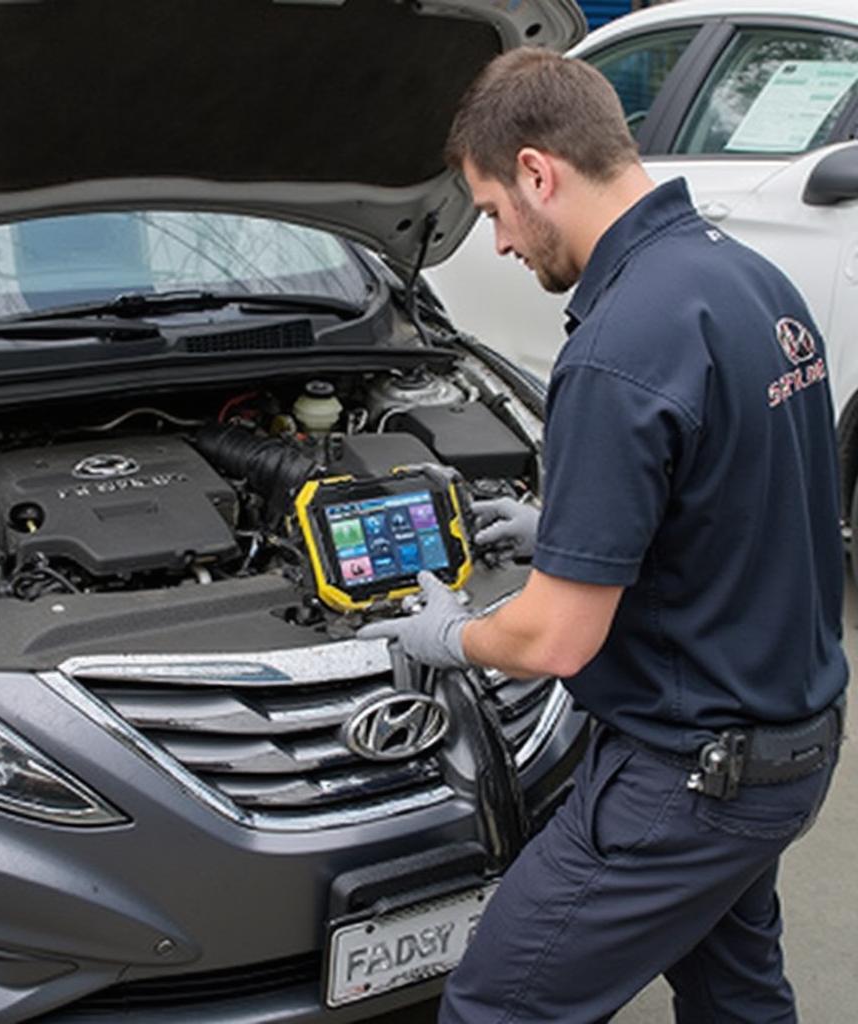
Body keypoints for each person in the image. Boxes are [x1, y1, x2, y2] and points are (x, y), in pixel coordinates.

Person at [357, 48, 848, 1023]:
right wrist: (570, 531)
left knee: (498, 1006)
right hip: (790, 747)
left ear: (538, 172)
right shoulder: (749, 282)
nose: (497, 243)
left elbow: (552, 640)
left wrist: (442, 634)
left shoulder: (618, 343)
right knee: (735, 996)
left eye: (493, 210)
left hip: (687, 781)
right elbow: (747, 494)